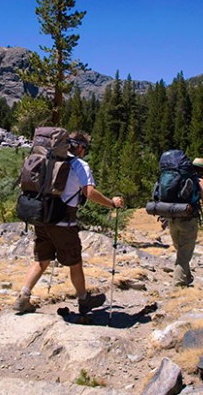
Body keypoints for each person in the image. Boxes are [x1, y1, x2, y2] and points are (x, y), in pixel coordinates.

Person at [13, 131, 124, 314]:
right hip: (63, 222)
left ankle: (23, 296)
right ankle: (83, 299)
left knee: (41, 259)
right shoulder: (80, 165)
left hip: (41, 218)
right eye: (84, 148)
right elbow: (89, 193)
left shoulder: (47, 159)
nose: (84, 152)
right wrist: (111, 203)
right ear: (80, 147)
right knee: (75, 262)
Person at [166, 157, 203, 287]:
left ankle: (187, 276)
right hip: (188, 219)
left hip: (172, 216)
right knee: (184, 253)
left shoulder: (177, 177)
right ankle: (178, 285)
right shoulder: (200, 181)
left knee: (180, 249)